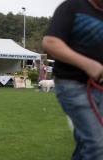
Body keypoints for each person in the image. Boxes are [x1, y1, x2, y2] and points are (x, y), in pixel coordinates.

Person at [42, 0, 103, 159]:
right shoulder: (72, 6)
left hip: (99, 87)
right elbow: (50, 42)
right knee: (96, 144)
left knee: (87, 144)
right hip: (72, 84)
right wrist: (87, 64)